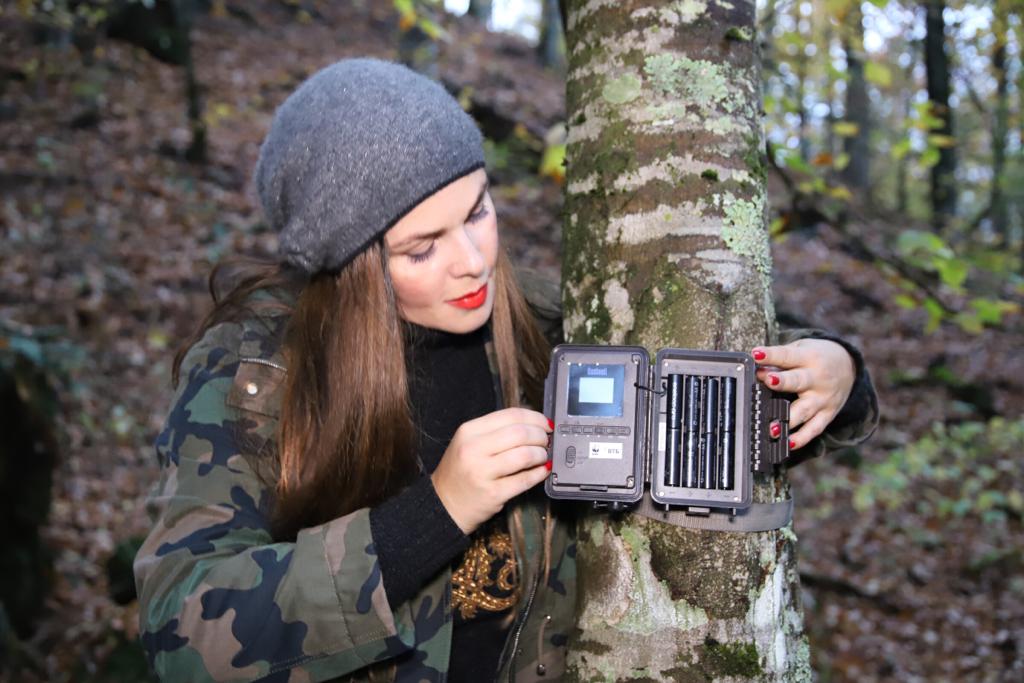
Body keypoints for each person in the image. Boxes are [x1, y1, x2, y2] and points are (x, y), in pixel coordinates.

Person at [133, 58, 878, 683]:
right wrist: (436, 511)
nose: (473, 259)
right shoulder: (259, 377)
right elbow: (181, 627)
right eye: (422, 247)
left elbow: (693, 399)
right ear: (349, 268)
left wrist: (837, 375)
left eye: (479, 210)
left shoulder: (543, 331)